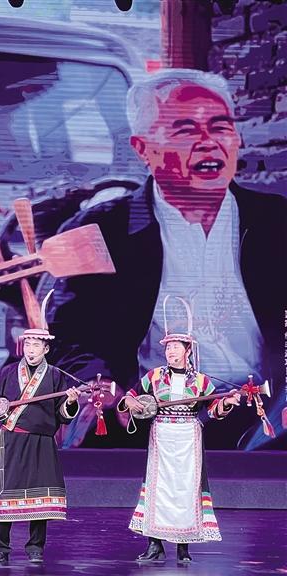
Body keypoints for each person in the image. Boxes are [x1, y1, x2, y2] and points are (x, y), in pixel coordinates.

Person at [44, 69, 286, 447]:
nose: (209, 143)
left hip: (267, 418)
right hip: (151, 419)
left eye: (221, 127)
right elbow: (69, 337)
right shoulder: (100, 231)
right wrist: (99, 383)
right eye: (186, 130)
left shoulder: (277, 222)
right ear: (142, 149)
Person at [118, 297, 240, 563]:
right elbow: (130, 395)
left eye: (176, 347)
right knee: (158, 488)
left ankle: (184, 547)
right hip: (162, 435)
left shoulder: (201, 381)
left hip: (188, 437)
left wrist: (227, 403)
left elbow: (213, 409)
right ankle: (155, 545)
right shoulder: (153, 376)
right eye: (168, 347)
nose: (170, 351)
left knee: (186, 489)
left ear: (188, 351)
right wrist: (130, 402)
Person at [0, 291, 80, 565]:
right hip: (12, 439)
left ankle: (35, 547)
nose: (31, 349)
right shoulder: (9, 372)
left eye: (36, 345)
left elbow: (63, 415)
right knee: (6, 492)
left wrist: (70, 401)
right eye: (28, 344)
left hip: (42, 441)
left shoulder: (56, 376)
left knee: (40, 495)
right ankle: (1, 547)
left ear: (46, 349)